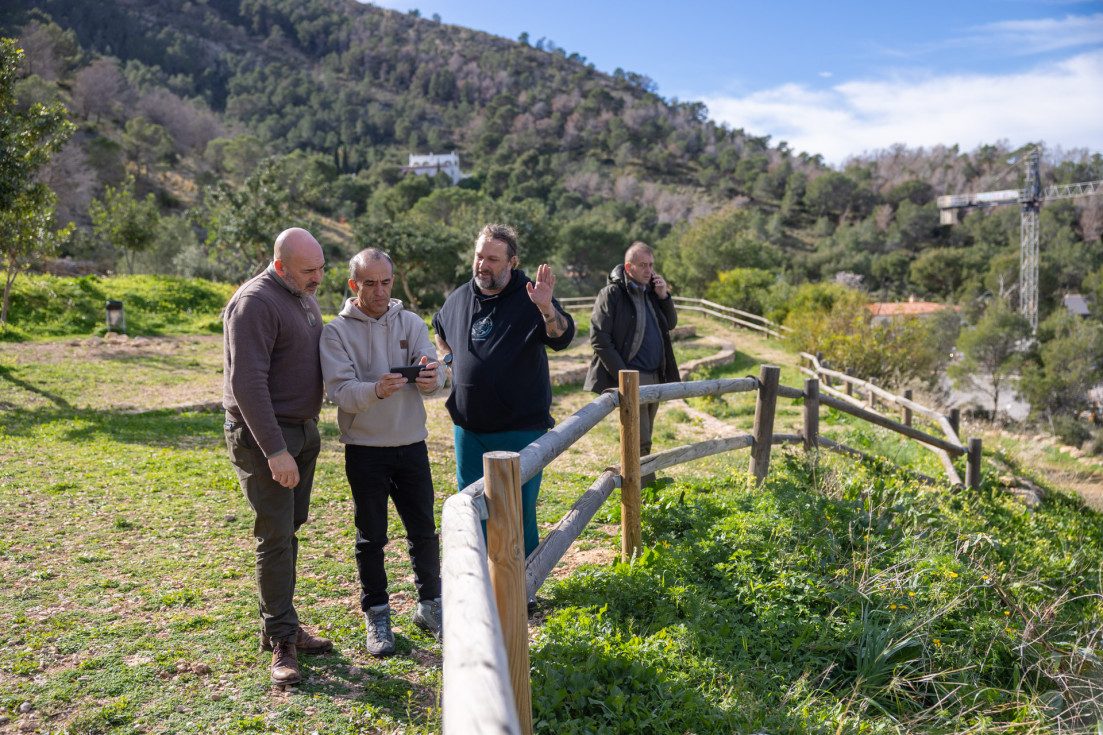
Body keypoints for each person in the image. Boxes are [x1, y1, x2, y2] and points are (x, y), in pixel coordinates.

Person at [319, 248, 445, 657]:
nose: (379, 290)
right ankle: (376, 613)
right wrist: (375, 390)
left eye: (385, 282)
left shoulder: (409, 321)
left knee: (424, 532)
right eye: (369, 283)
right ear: (354, 284)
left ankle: (431, 606)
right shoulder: (335, 332)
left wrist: (431, 378)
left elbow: (438, 375)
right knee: (371, 537)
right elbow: (338, 391)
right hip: (365, 449)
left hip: (412, 444)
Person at [222, 227, 332, 686]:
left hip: (301, 432)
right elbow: (248, 386)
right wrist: (275, 451)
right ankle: (283, 642)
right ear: (281, 265)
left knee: (288, 529)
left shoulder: (301, 295)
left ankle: (277, 624)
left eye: (322, 268)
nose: (318, 279)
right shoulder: (255, 303)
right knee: (275, 534)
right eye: (309, 271)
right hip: (268, 437)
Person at [432, 223, 575, 561]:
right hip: (469, 429)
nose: (483, 264)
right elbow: (439, 329)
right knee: (473, 507)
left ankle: (523, 586)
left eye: (493, 259)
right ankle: (481, 581)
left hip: (520, 429)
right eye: (480, 256)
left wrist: (546, 308)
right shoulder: (459, 298)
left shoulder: (531, 297)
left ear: (511, 262)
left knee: (517, 513)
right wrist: (450, 359)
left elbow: (562, 337)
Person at [584, 241, 679, 487]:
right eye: (642, 265)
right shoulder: (612, 294)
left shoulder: (651, 293)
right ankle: (647, 494)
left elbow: (670, 324)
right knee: (640, 441)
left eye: (651, 265)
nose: (649, 270)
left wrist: (664, 296)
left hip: (655, 375)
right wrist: (624, 376)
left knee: (644, 439)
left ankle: (643, 491)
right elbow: (599, 339)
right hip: (632, 378)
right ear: (629, 267)